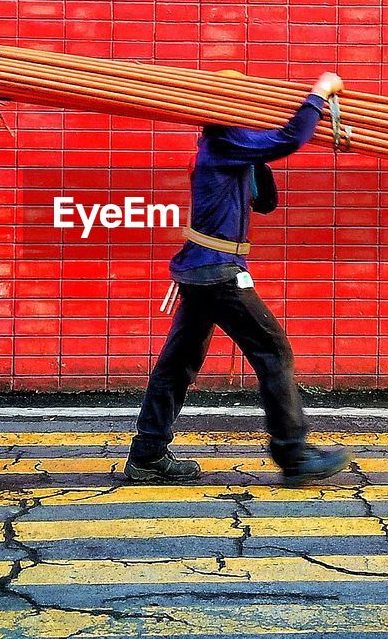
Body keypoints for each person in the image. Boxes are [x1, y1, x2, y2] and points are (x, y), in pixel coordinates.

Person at [126, 71, 352, 486]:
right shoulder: (223, 140)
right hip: (218, 274)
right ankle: (294, 453)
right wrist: (319, 92)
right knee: (273, 351)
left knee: (177, 364)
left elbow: (265, 202)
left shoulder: (226, 147)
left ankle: (148, 453)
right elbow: (291, 139)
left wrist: (257, 153)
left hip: (201, 270)